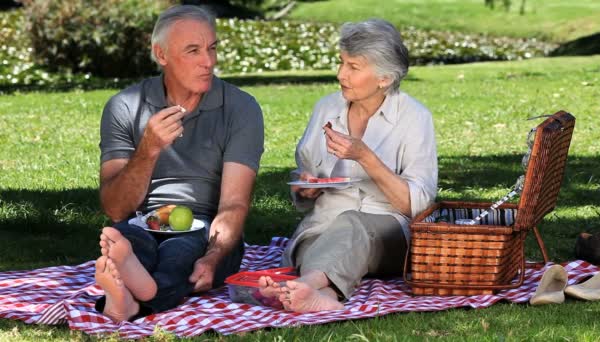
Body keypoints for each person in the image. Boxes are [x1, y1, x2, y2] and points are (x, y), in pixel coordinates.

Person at [94, 5, 264, 322]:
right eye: (193, 51)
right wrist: (148, 149)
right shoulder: (124, 106)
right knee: (128, 242)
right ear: (162, 54)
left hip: (206, 228)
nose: (209, 61)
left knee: (181, 255)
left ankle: (132, 301)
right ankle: (133, 289)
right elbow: (116, 208)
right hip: (142, 220)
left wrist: (213, 258)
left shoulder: (241, 108)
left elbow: (234, 204)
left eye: (212, 48)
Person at [258, 19, 437, 312]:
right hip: (324, 227)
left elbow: (416, 206)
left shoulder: (415, 118)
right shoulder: (326, 108)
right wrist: (306, 188)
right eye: (341, 62)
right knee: (315, 242)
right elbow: (306, 173)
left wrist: (365, 157)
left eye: (353, 67)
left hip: (388, 234)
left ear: (384, 78)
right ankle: (323, 295)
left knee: (354, 224)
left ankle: (302, 285)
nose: (341, 74)